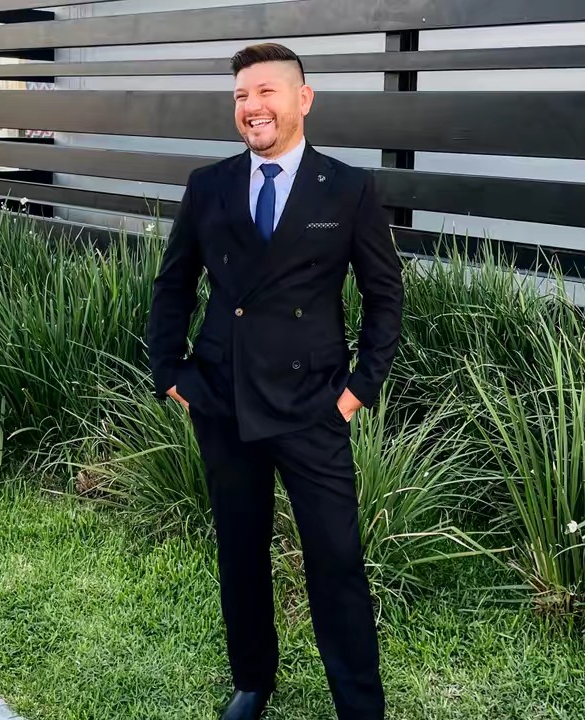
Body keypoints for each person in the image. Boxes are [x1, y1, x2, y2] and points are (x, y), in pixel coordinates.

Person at [146, 43, 403, 720]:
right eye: (241, 96)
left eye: (265, 92)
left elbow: (385, 298)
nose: (251, 107)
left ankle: (360, 705)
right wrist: (168, 370)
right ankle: (253, 680)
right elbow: (174, 283)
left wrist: (357, 390)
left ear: (302, 99)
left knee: (337, 559)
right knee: (240, 550)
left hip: (313, 405)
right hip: (222, 398)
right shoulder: (209, 184)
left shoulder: (347, 188)